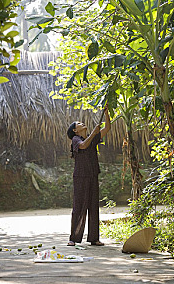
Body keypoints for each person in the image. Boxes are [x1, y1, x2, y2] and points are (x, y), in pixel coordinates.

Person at [67, 105, 111, 246]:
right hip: (80, 176)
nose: (82, 123)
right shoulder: (75, 139)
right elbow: (84, 146)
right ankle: (73, 238)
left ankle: (94, 238)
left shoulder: (92, 137)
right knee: (79, 206)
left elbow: (107, 129)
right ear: (75, 130)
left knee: (93, 206)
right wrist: (93, 133)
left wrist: (106, 113)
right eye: (79, 124)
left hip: (92, 175)